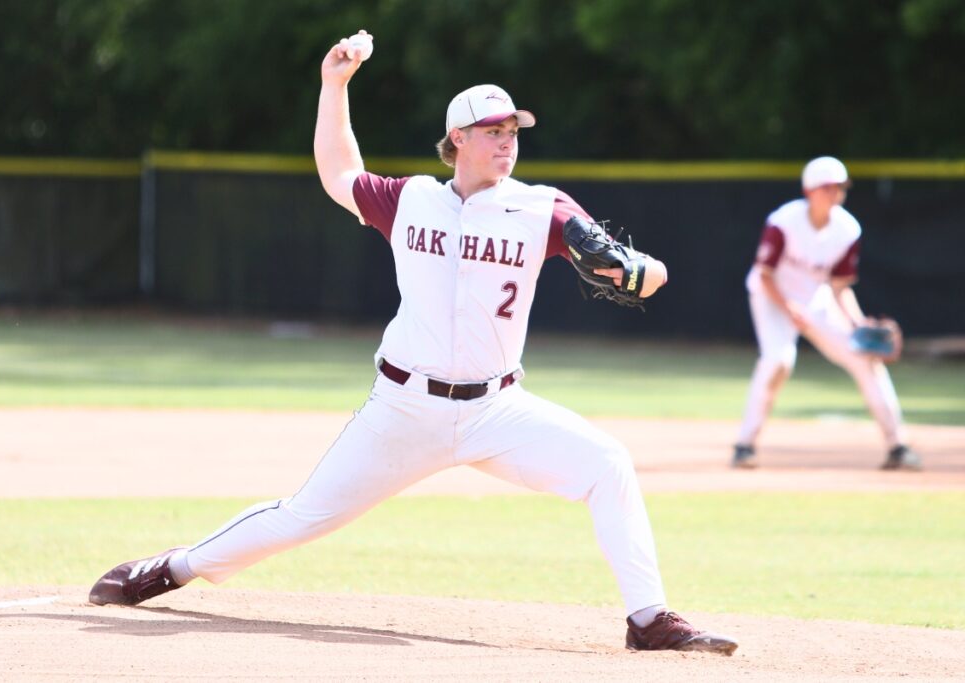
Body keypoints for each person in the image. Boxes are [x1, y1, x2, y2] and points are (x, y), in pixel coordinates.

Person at [88, 30, 738, 656]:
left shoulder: (544, 208)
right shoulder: (411, 200)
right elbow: (339, 171)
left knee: (607, 464)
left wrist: (631, 267)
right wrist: (333, 85)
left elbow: (649, 275)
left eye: (513, 131)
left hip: (497, 410)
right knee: (303, 514)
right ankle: (169, 568)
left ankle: (649, 619)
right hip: (404, 408)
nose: (507, 142)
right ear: (458, 139)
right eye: (493, 131)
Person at [732, 156, 921, 471]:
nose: (834, 194)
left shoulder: (847, 229)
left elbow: (840, 286)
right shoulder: (783, 222)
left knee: (864, 358)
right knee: (778, 360)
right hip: (771, 297)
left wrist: (857, 322)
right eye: (827, 187)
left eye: (840, 188)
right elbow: (764, 275)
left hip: (816, 301)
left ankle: (897, 446)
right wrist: (789, 308)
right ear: (810, 190)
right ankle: (744, 445)